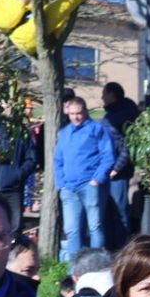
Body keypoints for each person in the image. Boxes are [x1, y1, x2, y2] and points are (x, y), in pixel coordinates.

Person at [56, 96, 115, 261]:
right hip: (69, 188)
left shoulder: (97, 129)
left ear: (85, 112)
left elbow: (108, 156)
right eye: (72, 114)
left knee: (95, 228)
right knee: (72, 230)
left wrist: (96, 180)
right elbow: (58, 160)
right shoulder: (64, 133)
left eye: (79, 113)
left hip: (90, 185)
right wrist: (61, 184)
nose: (75, 117)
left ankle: (95, 264)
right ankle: (74, 267)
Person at [0, 113, 39, 236]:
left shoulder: (21, 131)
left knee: (14, 228)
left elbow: (31, 159)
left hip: (13, 190)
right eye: (5, 105)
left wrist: (18, 175)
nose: (7, 108)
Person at [102, 82, 141, 239]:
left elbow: (127, 146)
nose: (102, 97)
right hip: (109, 169)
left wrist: (116, 168)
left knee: (119, 211)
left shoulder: (123, 115)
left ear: (112, 96)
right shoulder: (113, 114)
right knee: (109, 212)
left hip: (117, 172)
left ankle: (121, 245)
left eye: (104, 94)